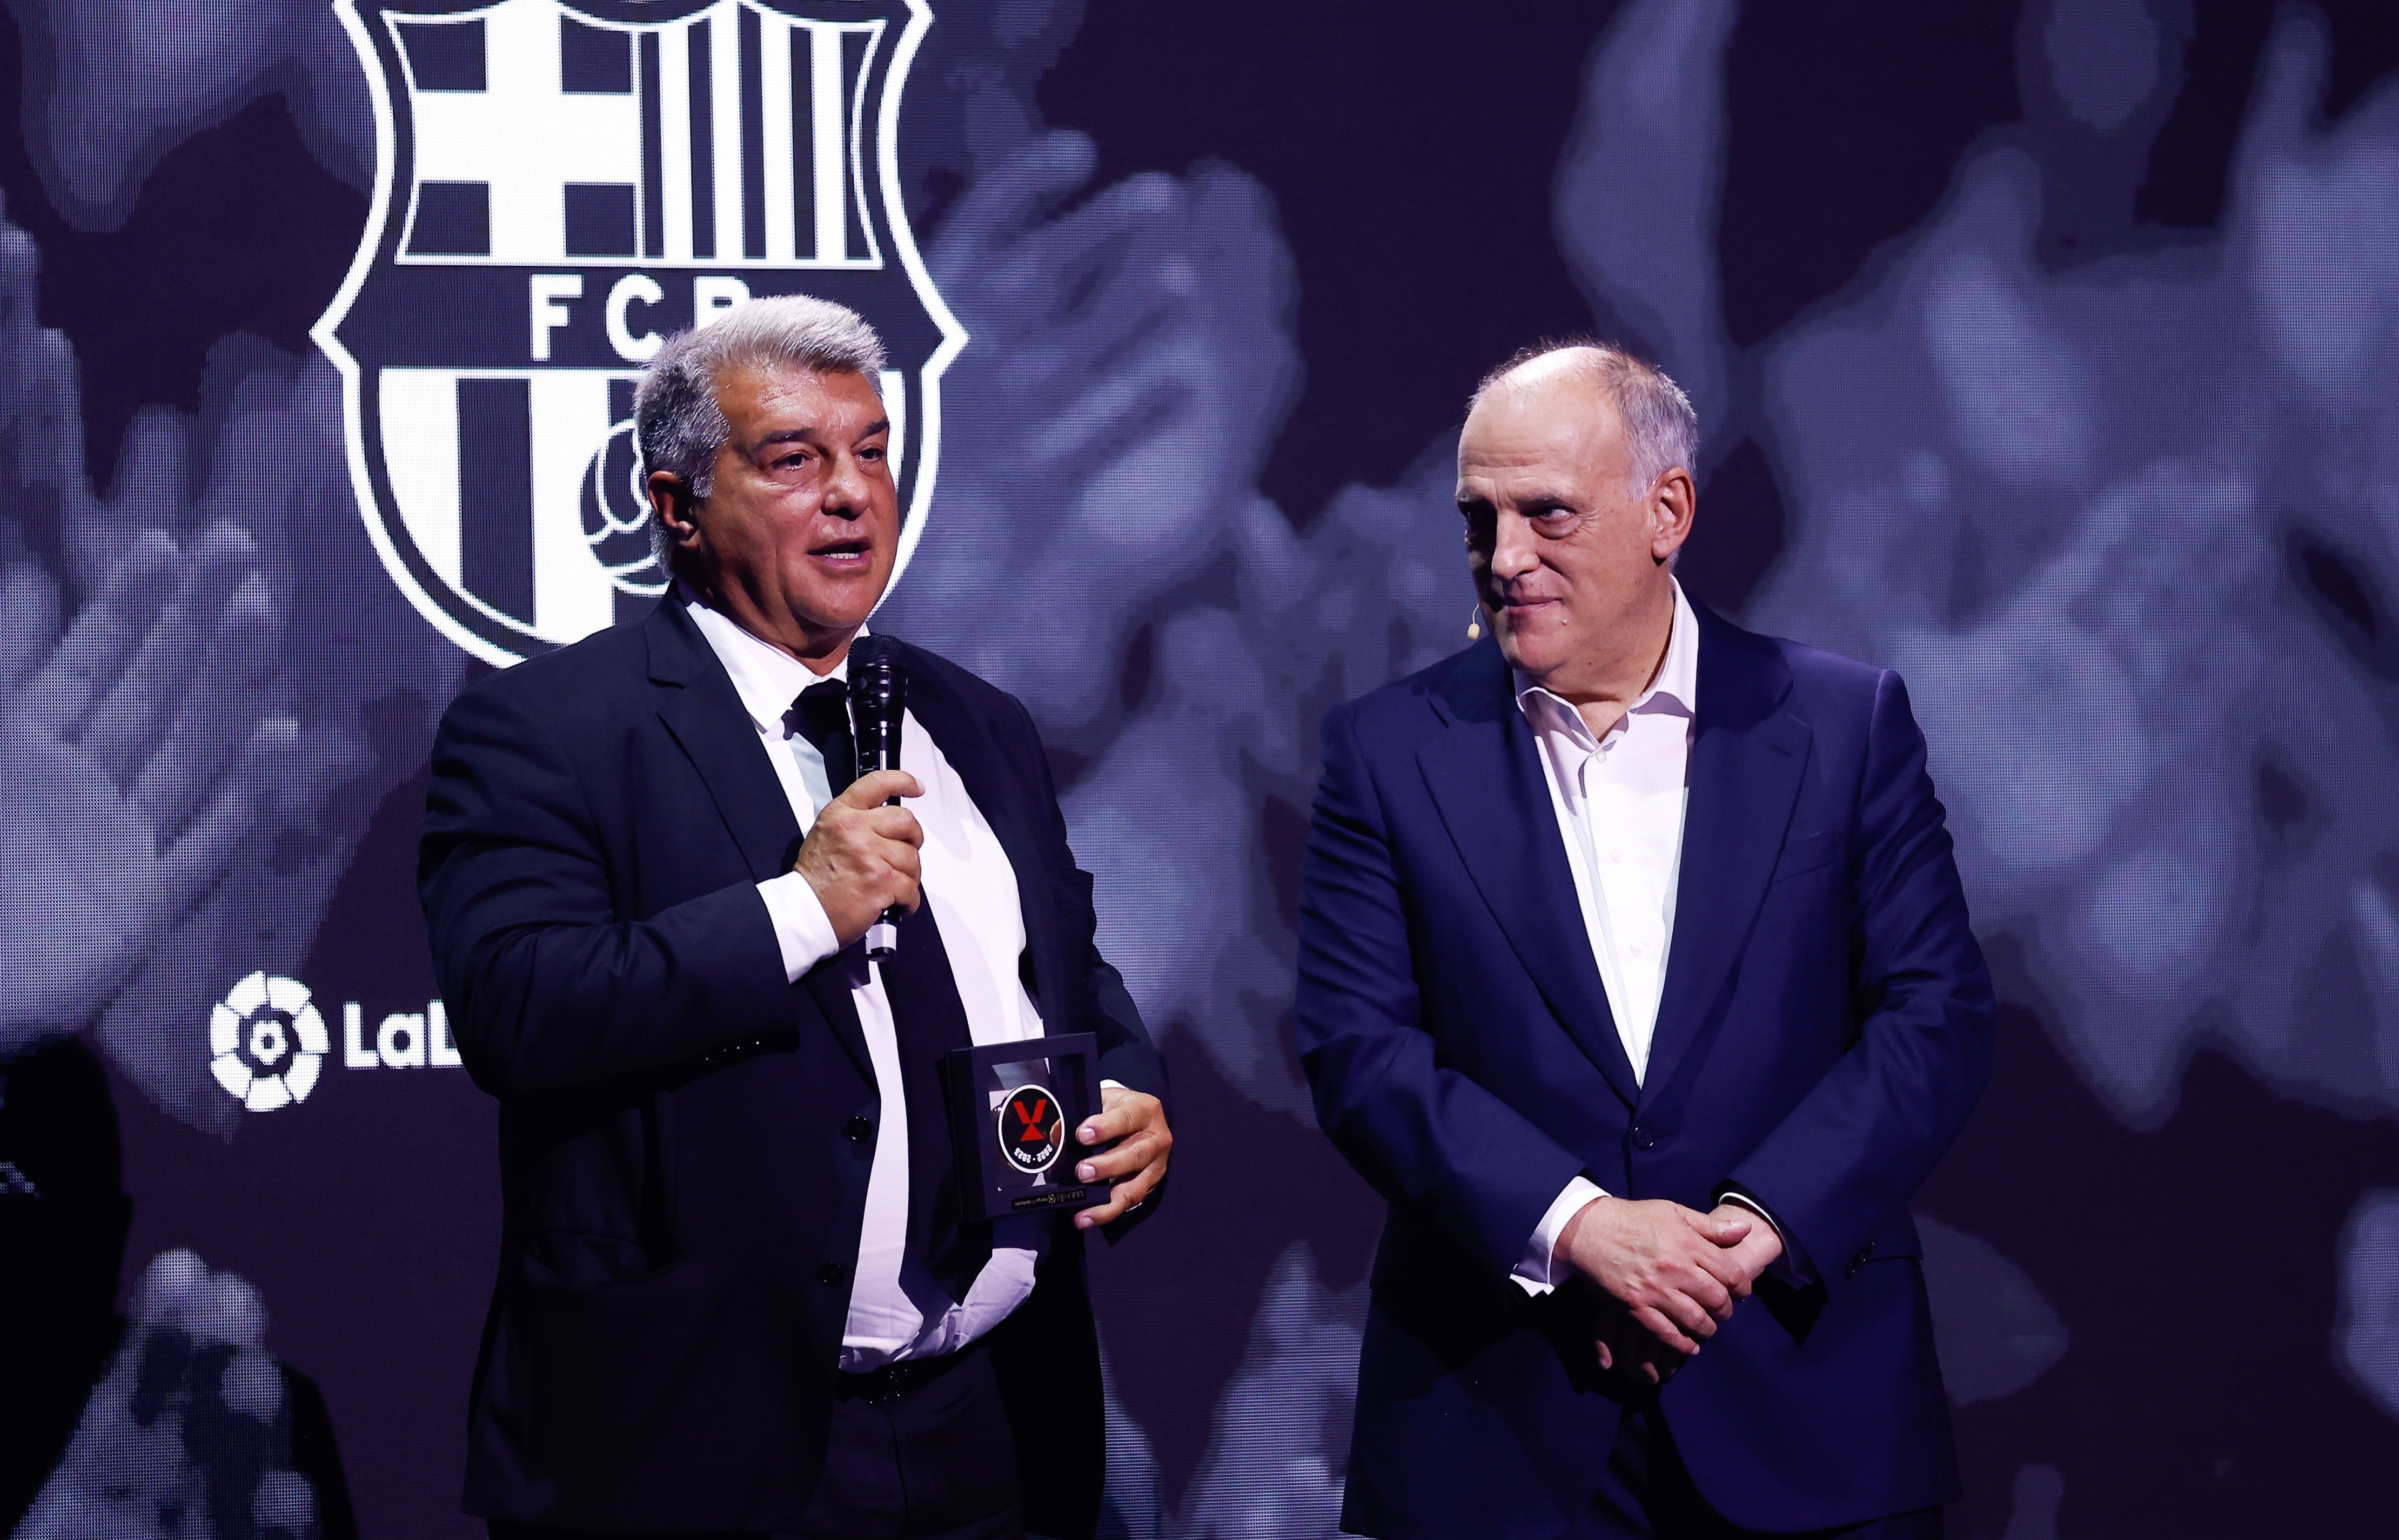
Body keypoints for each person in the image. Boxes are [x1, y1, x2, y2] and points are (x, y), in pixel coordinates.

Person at [419, 295, 1172, 1540]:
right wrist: (801, 908)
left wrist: (1130, 1088)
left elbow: (1068, 970)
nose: (852, 493)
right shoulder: (551, 731)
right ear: (675, 505)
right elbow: (517, 1006)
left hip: (996, 1429)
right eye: (793, 460)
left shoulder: (976, 720)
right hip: (708, 1449)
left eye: (872, 452)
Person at [1293, 340, 1995, 1538]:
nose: (1503, 560)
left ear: (1666, 510)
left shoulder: (1842, 723)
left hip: (1802, 1395)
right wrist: (1580, 1226)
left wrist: (1753, 1233)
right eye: (1480, 521)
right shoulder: (1387, 752)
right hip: (1501, 1422)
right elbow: (1358, 1048)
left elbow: (1934, 1016)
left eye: (1546, 515)